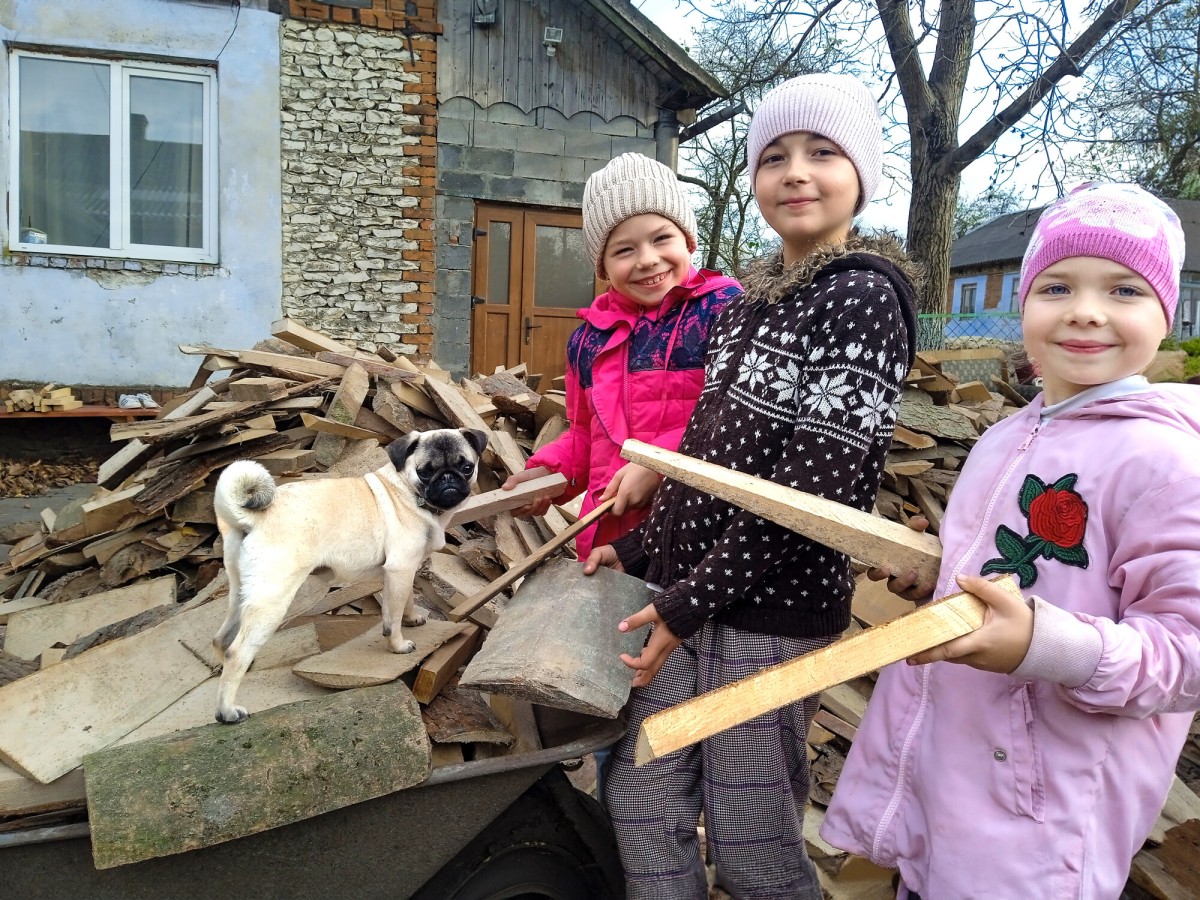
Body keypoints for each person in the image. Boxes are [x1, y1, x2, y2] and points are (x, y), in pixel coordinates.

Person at [586, 74, 919, 899]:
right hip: (684, 595)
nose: (796, 172)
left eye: (822, 153)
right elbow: (702, 471)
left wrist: (686, 602)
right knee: (640, 794)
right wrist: (632, 553)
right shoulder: (746, 306)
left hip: (768, 612)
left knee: (748, 833)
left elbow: (816, 499)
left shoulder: (863, 299)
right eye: (774, 157)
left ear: (862, 176)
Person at [820, 182, 1200, 900]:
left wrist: (1042, 646)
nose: (1085, 310)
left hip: (1044, 814)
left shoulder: (1167, 464)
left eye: (1124, 289)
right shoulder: (1006, 437)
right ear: (1023, 302)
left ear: (1166, 312)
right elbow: (1009, 576)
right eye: (1057, 285)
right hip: (954, 766)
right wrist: (934, 579)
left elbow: (1186, 655)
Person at [501, 152, 742, 562]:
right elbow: (583, 436)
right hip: (609, 531)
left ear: (689, 240)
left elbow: (734, 420)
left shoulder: (725, 312)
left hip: (697, 534)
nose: (647, 259)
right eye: (624, 249)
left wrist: (660, 465)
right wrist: (549, 474)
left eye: (661, 238)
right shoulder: (588, 341)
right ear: (603, 267)